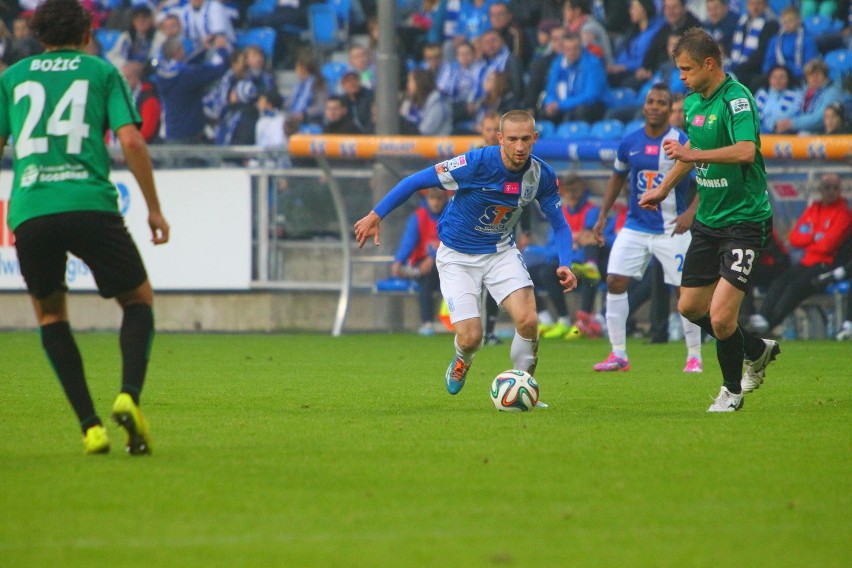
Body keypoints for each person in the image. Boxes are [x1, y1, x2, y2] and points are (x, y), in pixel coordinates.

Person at [0, 0, 169, 454]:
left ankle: (90, 427)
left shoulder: (11, 79)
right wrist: (153, 208)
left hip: (32, 209)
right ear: (85, 35)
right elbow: (130, 138)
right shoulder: (100, 72)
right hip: (90, 204)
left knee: (51, 315)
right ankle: (128, 396)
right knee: (138, 299)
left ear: (38, 36)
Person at [354, 110, 578, 399]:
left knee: (528, 321)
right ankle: (462, 360)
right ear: (500, 139)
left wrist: (566, 264)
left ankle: (522, 390)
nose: (519, 147)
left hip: (500, 252)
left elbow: (560, 225)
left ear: (535, 138)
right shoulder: (476, 163)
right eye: (512, 139)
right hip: (457, 256)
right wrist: (376, 215)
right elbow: (414, 181)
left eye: (525, 139)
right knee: (472, 338)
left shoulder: (541, 176)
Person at [639, 28, 780, 413]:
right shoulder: (693, 103)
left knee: (720, 319)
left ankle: (731, 391)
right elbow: (693, 154)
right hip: (709, 219)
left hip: (744, 220)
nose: (680, 77)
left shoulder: (737, 100)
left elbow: (746, 151)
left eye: (685, 69)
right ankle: (755, 349)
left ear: (709, 64)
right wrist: (664, 189)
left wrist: (690, 154)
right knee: (688, 307)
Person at [592, 83, 703, 373]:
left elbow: (707, 178)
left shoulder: (681, 141)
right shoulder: (629, 142)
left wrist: (691, 212)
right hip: (636, 226)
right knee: (615, 280)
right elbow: (617, 178)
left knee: (686, 294)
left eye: (661, 103)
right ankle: (619, 354)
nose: (655, 106)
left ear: (670, 109)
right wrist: (603, 214)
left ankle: (694, 356)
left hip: (672, 228)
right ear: (644, 106)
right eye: (650, 101)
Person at [748, 174, 852, 335]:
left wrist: (810, 235)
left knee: (795, 289)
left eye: (835, 188)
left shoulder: (843, 214)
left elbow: (827, 246)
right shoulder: (813, 209)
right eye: (827, 187)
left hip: (826, 264)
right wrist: (816, 235)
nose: (831, 191)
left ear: (840, 190)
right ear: (820, 189)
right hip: (807, 261)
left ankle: (768, 325)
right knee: (779, 282)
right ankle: (761, 318)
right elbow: (795, 238)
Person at [391, 187, 449, 336]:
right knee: (426, 277)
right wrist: (398, 261)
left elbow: (452, 242)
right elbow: (408, 242)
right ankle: (427, 322)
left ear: (444, 200)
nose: (435, 203)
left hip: (447, 263)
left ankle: (451, 321)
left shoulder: (450, 215)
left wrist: (433, 257)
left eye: (439, 199)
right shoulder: (419, 217)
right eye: (432, 198)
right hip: (423, 265)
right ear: (427, 199)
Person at [541, 31, 609, 124]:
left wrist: (561, 105)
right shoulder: (558, 63)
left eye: (575, 48)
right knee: (544, 112)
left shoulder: (593, 63)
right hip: (566, 105)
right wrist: (550, 103)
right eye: (568, 49)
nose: (572, 52)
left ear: (581, 48)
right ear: (563, 50)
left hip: (594, 106)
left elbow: (590, 96)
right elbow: (551, 89)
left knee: (580, 111)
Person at [774, 58, 844, 134]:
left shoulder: (832, 92)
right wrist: (778, 122)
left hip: (820, 132)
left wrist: (793, 123)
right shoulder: (804, 91)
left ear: (825, 75)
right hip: (798, 128)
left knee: (803, 134)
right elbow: (791, 110)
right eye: (811, 75)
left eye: (818, 74)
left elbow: (819, 118)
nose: (814, 78)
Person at [753, 64, 803, 134]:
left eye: (782, 77)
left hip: (788, 133)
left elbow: (796, 114)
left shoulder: (797, 94)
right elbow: (754, 116)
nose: (778, 80)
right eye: (774, 77)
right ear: (769, 79)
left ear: (788, 78)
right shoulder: (762, 94)